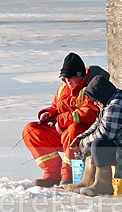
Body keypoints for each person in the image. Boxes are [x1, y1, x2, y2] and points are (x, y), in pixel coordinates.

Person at [21, 53, 108, 187]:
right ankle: (52, 173)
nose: (67, 82)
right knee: (31, 130)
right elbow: (56, 107)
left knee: (73, 129)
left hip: (84, 136)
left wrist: (61, 120)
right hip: (62, 133)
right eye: (64, 79)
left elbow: (89, 114)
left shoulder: (92, 87)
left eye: (70, 79)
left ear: (79, 75)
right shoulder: (63, 88)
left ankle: (69, 175)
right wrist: (48, 114)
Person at [70, 74, 122, 196]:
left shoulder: (117, 105)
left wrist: (83, 144)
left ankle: (103, 185)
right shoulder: (109, 101)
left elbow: (104, 133)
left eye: (95, 101)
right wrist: (80, 139)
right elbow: (97, 124)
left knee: (99, 144)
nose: (95, 104)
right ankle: (88, 180)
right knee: (92, 144)